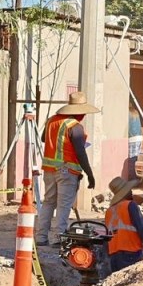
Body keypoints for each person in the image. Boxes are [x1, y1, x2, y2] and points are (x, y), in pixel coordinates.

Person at [35, 91, 98, 246]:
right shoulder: (75, 127)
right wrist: (90, 174)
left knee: (48, 202)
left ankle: (41, 237)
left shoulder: (52, 121)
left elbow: (44, 138)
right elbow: (80, 152)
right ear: (81, 112)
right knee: (63, 205)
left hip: (49, 169)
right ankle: (58, 238)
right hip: (67, 170)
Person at [103, 176, 143, 273]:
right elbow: (141, 226)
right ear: (125, 192)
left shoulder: (109, 211)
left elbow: (106, 235)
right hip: (130, 252)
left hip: (114, 255)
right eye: (129, 190)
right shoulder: (130, 205)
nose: (131, 192)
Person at [126, 101, 143, 180]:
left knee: (131, 160)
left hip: (132, 139)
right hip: (140, 138)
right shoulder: (135, 112)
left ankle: (133, 178)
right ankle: (138, 177)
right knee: (137, 158)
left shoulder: (128, 113)